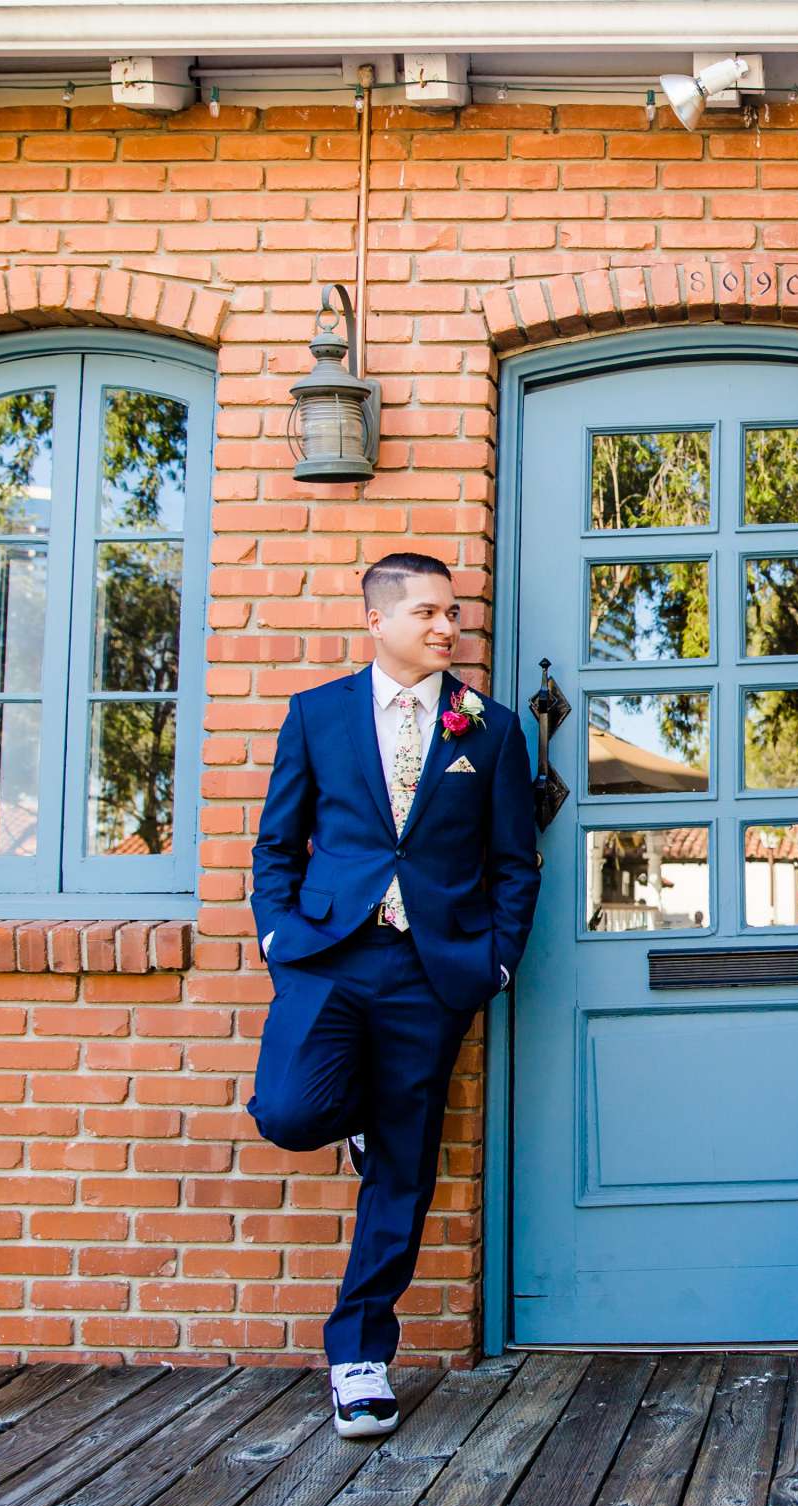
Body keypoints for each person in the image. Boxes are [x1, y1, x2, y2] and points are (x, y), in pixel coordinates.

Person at [249, 551, 540, 1437]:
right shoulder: (316, 716)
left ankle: (360, 1356)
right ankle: (359, 1115)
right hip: (329, 956)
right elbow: (276, 846)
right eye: (428, 613)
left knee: (405, 1169)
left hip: (433, 972)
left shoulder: (488, 730)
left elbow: (513, 864)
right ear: (376, 620)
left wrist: (493, 962)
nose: (448, 628)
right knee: (291, 1113)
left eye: (453, 614)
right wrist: (279, 937)